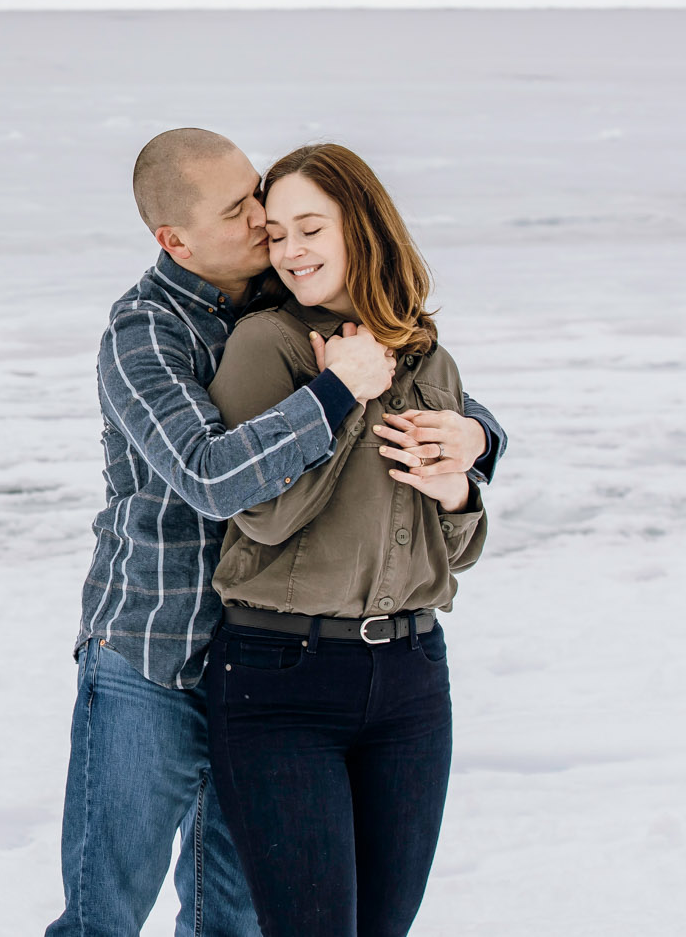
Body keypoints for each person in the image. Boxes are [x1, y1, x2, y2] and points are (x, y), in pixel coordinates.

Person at [48, 130, 507, 937]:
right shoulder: (145, 334)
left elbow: (409, 369)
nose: (266, 221)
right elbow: (214, 478)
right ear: (174, 240)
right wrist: (333, 393)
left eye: (258, 191)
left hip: (251, 658)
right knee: (102, 917)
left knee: (231, 920)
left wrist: (478, 437)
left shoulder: (277, 293)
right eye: (240, 209)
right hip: (149, 653)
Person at [202, 141, 487, 937]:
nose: (290, 251)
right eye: (278, 234)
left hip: (412, 680)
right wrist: (341, 397)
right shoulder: (270, 344)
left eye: (311, 228)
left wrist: (457, 487)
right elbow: (262, 513)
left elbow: (457, 550)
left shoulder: (429, 359)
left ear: (361, 228)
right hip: (280, 681)